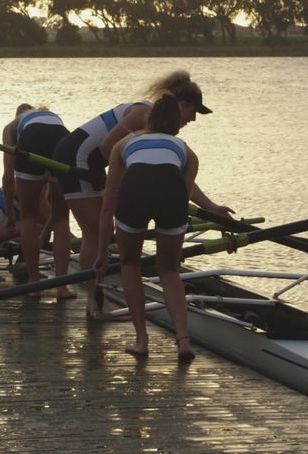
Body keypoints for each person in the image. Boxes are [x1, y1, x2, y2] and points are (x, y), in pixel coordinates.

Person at [53, 70, 232, 317]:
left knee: (104, 230)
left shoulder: (158, 125)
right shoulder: (143, 114)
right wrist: (125, 182)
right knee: (95, 232)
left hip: (94, 164)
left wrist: (210, 207)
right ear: (181, 105)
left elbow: (179, 177)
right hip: (76, 158)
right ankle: (94, 301)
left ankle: (98, 293)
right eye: (193, 113)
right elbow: (107, 145)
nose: (193, 120)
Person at [93, 93, 207, 361]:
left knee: (130, 264)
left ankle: (142, 341)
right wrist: (174, 246)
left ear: (149, 118)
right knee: (169, 270)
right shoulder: (186, 151)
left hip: (134, 196)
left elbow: (108, 205)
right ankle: (183, 341)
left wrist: (101, 253)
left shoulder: (124, 144)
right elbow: (183, 195)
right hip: (171, 198)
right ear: (176, 122)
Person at [1, 103, 76, 300]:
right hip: (63, 138)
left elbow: (8, 178)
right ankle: (62, 287)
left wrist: (9, 212)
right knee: (62, 218)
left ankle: (34, 283)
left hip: (33, 140)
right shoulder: (52, 117)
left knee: (28, 216)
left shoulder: (12, 127)